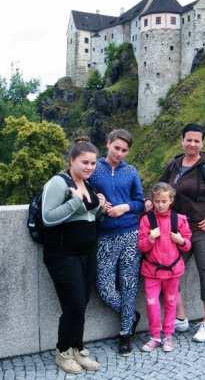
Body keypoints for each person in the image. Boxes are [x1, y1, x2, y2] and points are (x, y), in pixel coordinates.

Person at [150, 123, 205, 343]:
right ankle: (181, 318)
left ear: (202, 143)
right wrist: (150, 202)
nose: (192, 144)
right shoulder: (174, 165)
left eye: (197, 140)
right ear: (182, 141)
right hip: (178, 231)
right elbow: (160, 190)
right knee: (170, 272)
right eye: (189, 139)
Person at [42, 137, 104, 374]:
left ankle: (77, 347)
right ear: (71, 160)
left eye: (93, 163)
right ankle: (63, 352)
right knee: (74, 303)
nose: (89, 167)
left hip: (86, 253)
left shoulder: (88, 184)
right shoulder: (59, 183)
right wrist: (74, 202)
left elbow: (87, 216)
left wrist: (99, 206)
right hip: (62, 254)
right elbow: (48, 217)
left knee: (83, 302)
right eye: (84, 162)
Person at [90, 129, 144, 355]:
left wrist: (126, 207)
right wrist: (98, 201)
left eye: (124, 150)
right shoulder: (94, 169)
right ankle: (131, 315)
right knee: (104, 287)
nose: (119, 153)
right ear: (107, 143)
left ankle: (125, 334)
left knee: (129, 284)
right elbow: (82, 192)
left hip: (131, 233)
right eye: (116, 148)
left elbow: (140, 202)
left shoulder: (131, 171)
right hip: (104, 235)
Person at [139, 182, 192, 352]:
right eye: (157, 201)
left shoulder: (179, 219)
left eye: (163, 201)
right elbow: (141, 246)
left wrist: (181, 240)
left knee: (171, 302)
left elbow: (188, 244)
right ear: (152, 201)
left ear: (171, 200)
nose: (160, 205)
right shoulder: (147, 219)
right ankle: (155, 336)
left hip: (172, 270)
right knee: (151, 303)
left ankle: (168, 335)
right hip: (152, 271)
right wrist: (150, 239)